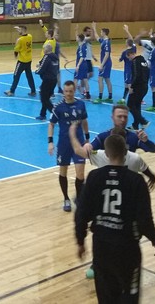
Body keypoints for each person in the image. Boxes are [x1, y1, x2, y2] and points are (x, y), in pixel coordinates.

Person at [75, 134, 155, 303]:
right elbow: (144, 218)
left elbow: (82, 213)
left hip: (101, 246)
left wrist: (80, 240)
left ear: (106, 154)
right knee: (129, 294)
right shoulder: (136, 181)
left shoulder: (94, 177)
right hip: (127, 248)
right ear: (125, 152)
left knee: (106, 295)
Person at [71, 125, 155, 190]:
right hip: (128, 198)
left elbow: (78, 151)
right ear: (125, 140)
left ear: (109, 139)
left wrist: (72, 134)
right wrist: (152, 177)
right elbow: (146, 170)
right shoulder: (135, 158)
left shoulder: (101, 155)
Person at [48, 80, 89, 212]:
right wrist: (50, 142)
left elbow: (84, 121)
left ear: (74, 90)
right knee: (63, 171)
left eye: (71, 91)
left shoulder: (81, 104)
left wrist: (87, 138)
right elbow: (51, 124)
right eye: (66, 91)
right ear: (63, 92)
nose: (68, 94)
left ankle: (79, 199)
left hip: (79, 143)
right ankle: (66, 198)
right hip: (64, 144)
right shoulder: (58, 107)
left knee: (80, 174)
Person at [90, 104, 155, 155]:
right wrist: (88, 147)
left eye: (125, 117)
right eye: (119, 116)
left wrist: (146, 141)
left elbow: (153, 150)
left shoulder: (133, 137)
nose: (123, 120)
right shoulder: (102, 137)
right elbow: (89, 152)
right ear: (112, 118)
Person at [5, 25, 37, 97]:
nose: (18, 31)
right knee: (29, 76)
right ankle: (33, 91)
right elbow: (24, 34)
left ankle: (12, 91)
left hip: (22, 61)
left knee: (16, 76)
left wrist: (15, 56)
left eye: (19, 30)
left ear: (22, 30)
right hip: (29, 60)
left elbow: (16, 50)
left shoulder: (20, 40)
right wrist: (18, 29)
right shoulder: (30, 36)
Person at [126, 47, 151, 131]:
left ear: (131, 54)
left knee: (130, 105)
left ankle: (143, 121)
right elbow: (148, 73)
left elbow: (136, 75)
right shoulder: (143, 61)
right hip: (144, 86)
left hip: (138, 87)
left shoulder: (135, 62)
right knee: (137, 105)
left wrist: (132, 86)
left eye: (128, 57)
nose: (129, 59)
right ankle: (135, 125)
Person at [36, 43, 59, 120]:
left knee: (44, 98)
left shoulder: (46, 56)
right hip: (54, 79)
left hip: (47, 80)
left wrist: (37, 71)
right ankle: (42, 114)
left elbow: (42, 67)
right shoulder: (55, 57)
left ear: (46, 49)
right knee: (46, 98)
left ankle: (56, 114)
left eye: (44, 48)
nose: (43, 50)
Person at [92, 22, 113, 104]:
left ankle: (100, 97)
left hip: (106, 63)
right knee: (107, 79)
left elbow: (107, 54)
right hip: (106, 63)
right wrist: (94, 28)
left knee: (100, 79)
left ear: (104, 33)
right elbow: (97, 37)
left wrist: (101, 65)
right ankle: (110, 97)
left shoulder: (107, 42)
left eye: (101, 32)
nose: (100, 33)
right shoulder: (103, 41)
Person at [118, 38, 136, 104]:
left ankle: (132, 99)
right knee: (127, 84)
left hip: (128, 70)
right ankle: (124, 98)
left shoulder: (125, 52)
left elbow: (120, 60)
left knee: (128, 85)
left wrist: (120, 58)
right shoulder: (134, 49)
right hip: (133, 69)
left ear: (127, 43)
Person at [74, 33, 91, 99]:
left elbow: (82, 57)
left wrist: (78, 65)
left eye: (77, 37)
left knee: (75, 79)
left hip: (81, 65)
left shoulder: (81, 47)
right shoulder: (83, 45)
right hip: (84, 65)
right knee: (85, 79)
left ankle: (72, 94)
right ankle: (88, 94)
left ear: (79, 39)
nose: (76, 38)